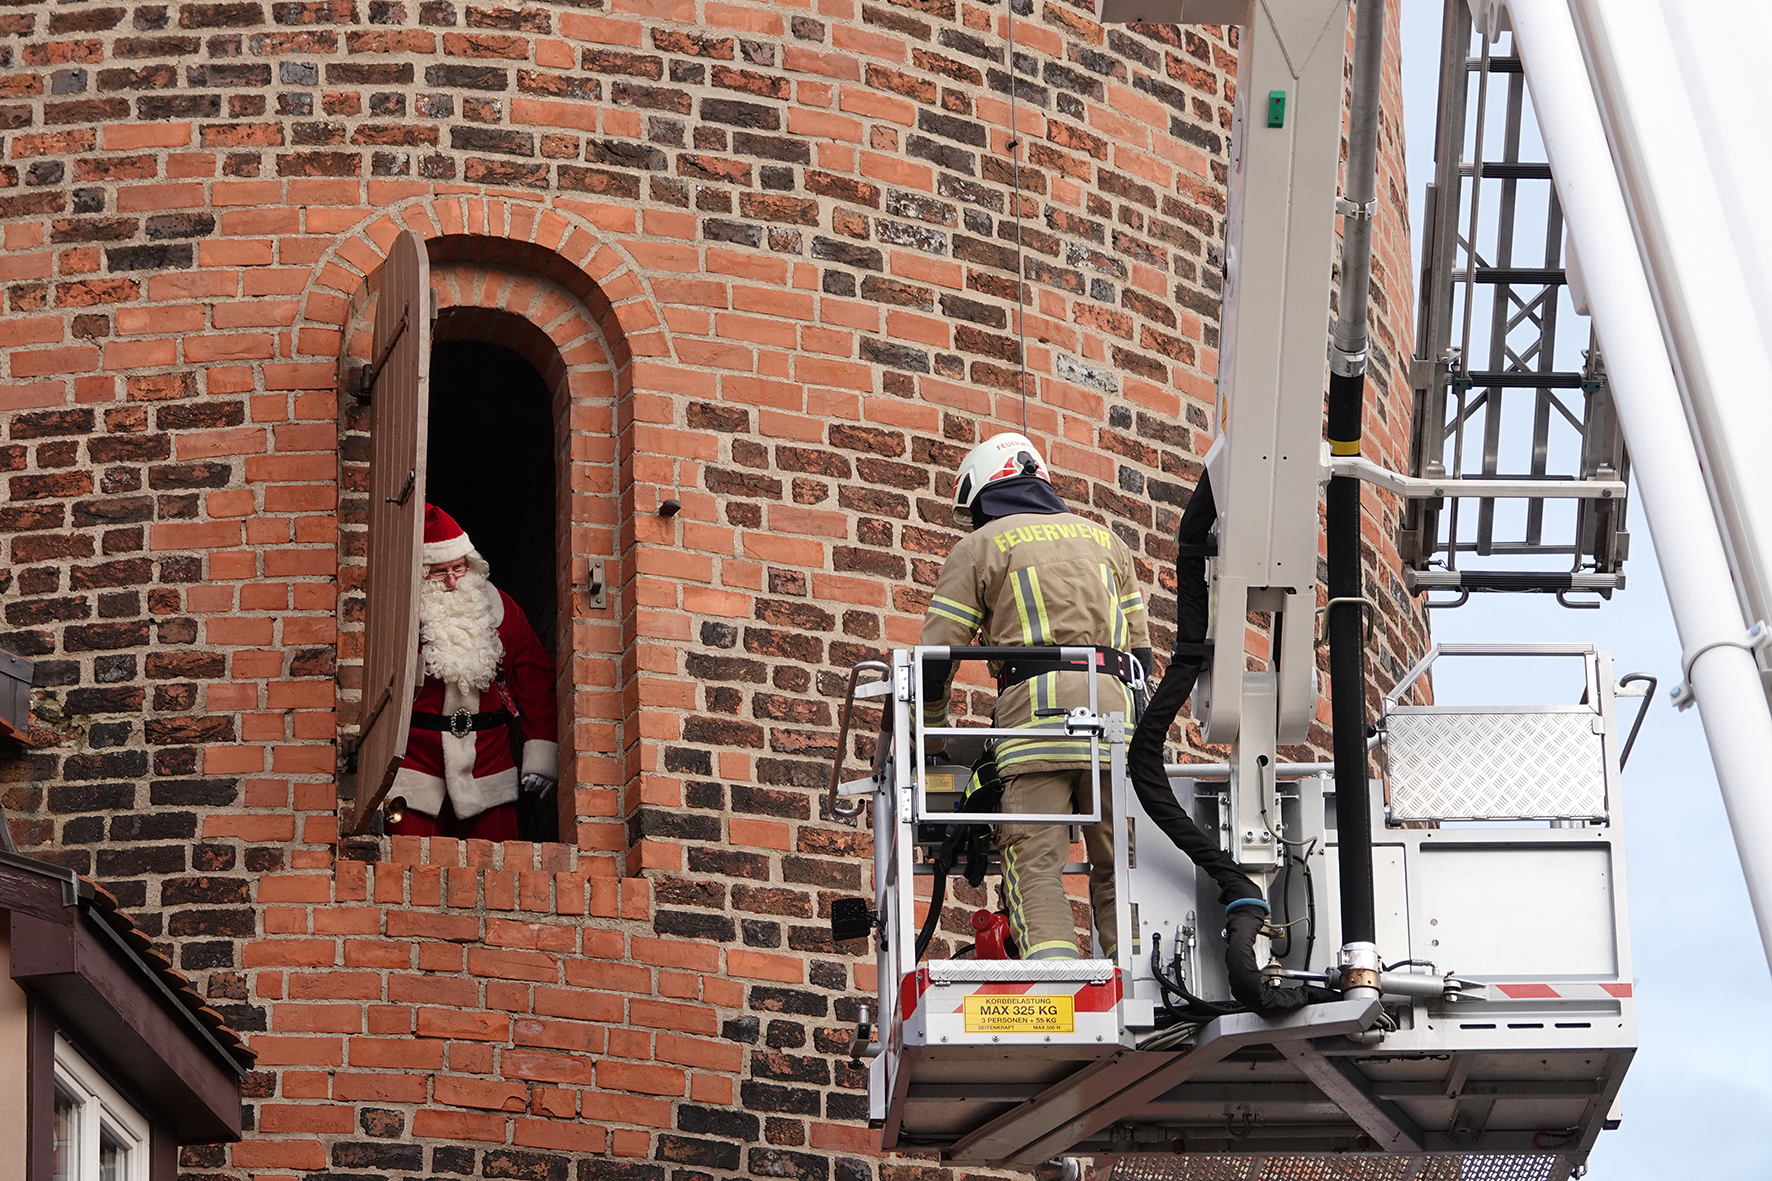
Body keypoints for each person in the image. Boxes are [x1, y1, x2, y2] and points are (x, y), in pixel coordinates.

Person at [919, 433, 1151, 961]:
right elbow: (1142, 656)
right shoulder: (1107, 541)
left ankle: (1056, 984)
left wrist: (932, 734)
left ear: (982, 494)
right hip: (1115, 722)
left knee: (1035, 863)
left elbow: (937, 658)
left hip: (1035, 722)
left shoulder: (980, 546)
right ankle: (1140, 982)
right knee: (1122, 864)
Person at [387, 504, 559, 841]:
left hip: (490, 766)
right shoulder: (397, 615)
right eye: (439, 572)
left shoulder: (501, 607)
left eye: (459, 568)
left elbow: (536, 681)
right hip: (415, 765)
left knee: (497, 871)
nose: (452, 581)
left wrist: (541, 754)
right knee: (406, 873)